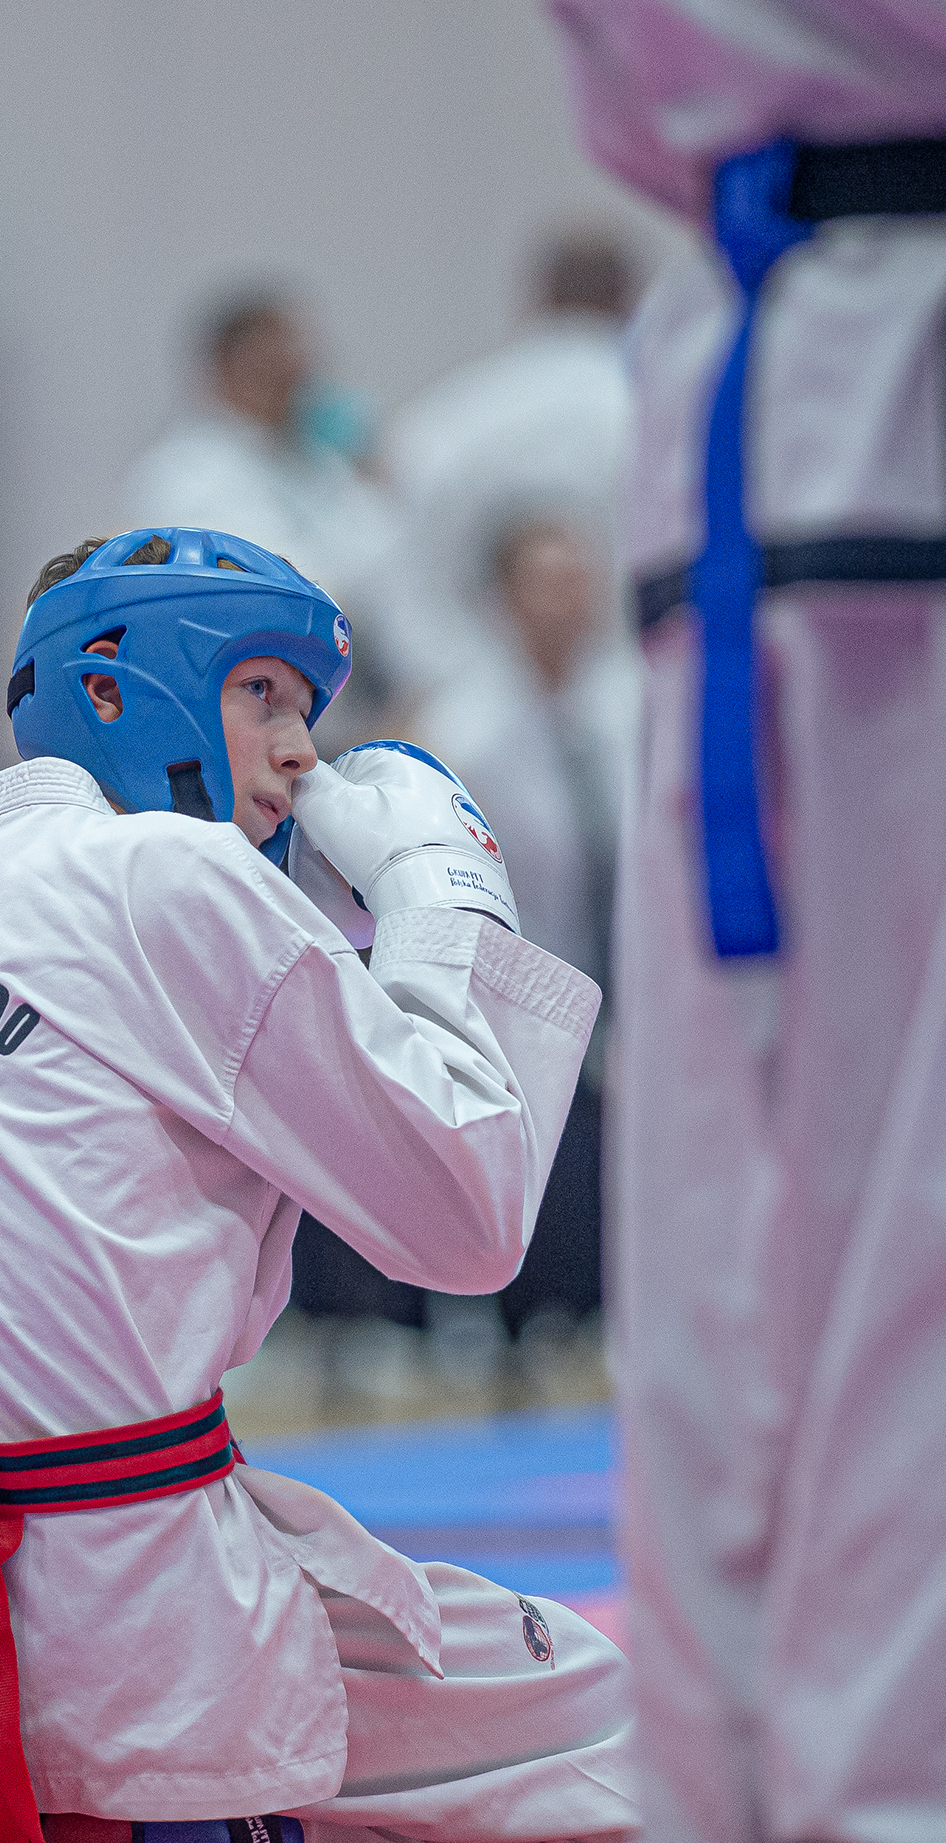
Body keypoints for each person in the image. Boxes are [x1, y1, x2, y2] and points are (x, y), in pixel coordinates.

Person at [0, 528, 635, 1843]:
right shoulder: (177, 874)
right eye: (260, 692)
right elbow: (472, 1216)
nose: (300, 751)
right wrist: (440, 889)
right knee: (631, 1723)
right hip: (126, 1629)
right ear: (115, 686)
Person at [547, 2, 946, 1839]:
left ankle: (734, 1789)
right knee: (882, 1234)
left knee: (733, 1246)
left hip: (747, 391)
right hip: (867, 388)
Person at [416, 512, 639, 1350]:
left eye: (577, 581)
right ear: (504, 601)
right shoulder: (463, 733)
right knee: (551, 1205)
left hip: (627, 979)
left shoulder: (630, 708)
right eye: (547, 584)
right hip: (517, 997)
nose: (568, 602)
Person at [123, 294, 400, 753]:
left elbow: (391, 569)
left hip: (352, 711)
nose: (295, 369)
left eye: (298, 352)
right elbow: (280, 590)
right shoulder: (185, 474)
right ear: (226, 367)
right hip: (247, 727)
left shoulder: (321, 467)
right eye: (273, 355)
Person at [376, 235, 636, 704]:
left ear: (539, 298)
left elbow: (402, 582)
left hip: (467, 689)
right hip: (632, 690)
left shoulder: (444, 418)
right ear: (627, 299)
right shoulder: (654, 415)